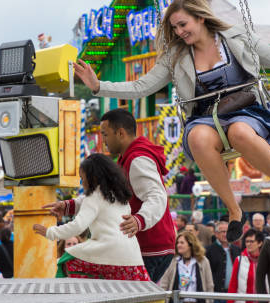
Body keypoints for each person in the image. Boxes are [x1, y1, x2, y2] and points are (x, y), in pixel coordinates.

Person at [74, 0, 270, 242]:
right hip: (205, 119)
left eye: (183, 24)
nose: (179, 32)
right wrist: (98, 86)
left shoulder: (236, 38)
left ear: (200, 17)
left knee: (240, 132)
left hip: (246, 109)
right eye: (174, 28)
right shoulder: (176, 57)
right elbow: (142, 86)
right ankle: (234, 209)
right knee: (198, 137)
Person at [43, 110, 175, 283]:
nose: (103, 141)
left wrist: (139, 220)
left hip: (149, 246)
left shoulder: (137, 159)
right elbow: (106, 196)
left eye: (105, 134)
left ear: (120, 133)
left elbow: (157, 196)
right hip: (147, 245)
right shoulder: (128, 159)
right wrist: (70, 205)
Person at [35, 153, 149, 280]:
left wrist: (50, 232)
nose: (82, 183)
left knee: (65, 261)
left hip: (108, 256)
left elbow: (78, 225)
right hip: (133, 260)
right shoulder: (120, 196)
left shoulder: (94, 196)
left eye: (82, 179)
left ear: (93, 178)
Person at [159, 231, 214, 303]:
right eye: (177, 243)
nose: (178, 245)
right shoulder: (173, 261)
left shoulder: (203, 261)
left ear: (190, 244)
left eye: (182, 243)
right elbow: (164, 284)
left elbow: (209, 285)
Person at [206, 221, 241, 303]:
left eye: (228, 231)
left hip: (234, 295)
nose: (226, 234)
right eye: (223, 232)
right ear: (216, 234)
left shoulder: (237, 249)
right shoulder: (209, 250)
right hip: (217, 295)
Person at [227, 229, 264, 303]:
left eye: (251, 241)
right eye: (247, 241)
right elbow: (233, 285)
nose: (248, 244)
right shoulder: (239, 260)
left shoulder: (266, 260)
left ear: (260, 243)